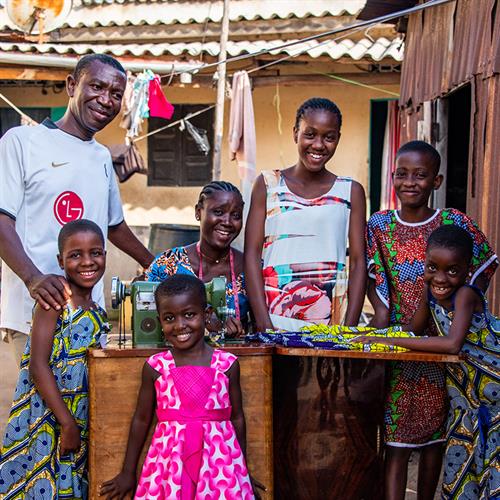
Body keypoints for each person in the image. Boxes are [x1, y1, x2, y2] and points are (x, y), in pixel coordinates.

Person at [0, 54, 154, 365]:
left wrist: (158, 266)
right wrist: (33, 279)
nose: (105, 100)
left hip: (88, 314)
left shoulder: (101, 157)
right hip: (35, 310)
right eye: (96, 86)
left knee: (86, 409)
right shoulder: (22, 142)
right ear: (72, 85)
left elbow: (114, 226)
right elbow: (2, 219)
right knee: (39, 409)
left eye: (115, 93)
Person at [365, 141, 498, 499]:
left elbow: (486, 261)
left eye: (420, 175)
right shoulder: (379, 224)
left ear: (435, 181)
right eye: (402, 174)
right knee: (396, 436)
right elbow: (371, 275)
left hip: (448, 352)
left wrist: (459, 305)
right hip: (406, 343)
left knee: (439, 434)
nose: (410, 182)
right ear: (392, 177)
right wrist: (381, 324)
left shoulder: (452, 221)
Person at [100, 274, 256, 499]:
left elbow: (238, 418)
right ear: (159, 320)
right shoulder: (156, 367)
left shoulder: (227, 365)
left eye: (189, 315)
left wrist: (243, 469)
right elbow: (141, 419)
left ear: (207, 314)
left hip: (220, 466)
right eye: (170, 318)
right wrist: (127, 471)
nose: (180, 325)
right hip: (168, 466)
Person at [0, 220, 110, 499]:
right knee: (41, 484)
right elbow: (38, 365)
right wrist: (67, 422)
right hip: (51, 415)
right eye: (76, 255)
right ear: (61, 260)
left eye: (95, 252)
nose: (87, 262)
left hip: (80, 415)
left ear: (105, 255)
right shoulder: (56, 299)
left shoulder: (96, 310)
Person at [244, 97, 366, 331]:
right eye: (310, 134)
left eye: (329, 137)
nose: (319, 145)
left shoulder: (351, 191)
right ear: (295, 134)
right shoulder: (268, 184)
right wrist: (263, 323)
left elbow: (359, 262)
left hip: (332, 321)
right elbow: (252, 255)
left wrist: (347, 328)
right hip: (275, 314)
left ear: (337, 139)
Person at [145, 181, 250, 336]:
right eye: (219, 212)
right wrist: (205, 322)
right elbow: (149, 325)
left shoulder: (250, 268)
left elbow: (259, 328)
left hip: (238, 358)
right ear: (198, 212)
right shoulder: (166, 265)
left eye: (235, 216)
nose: (227, 222)